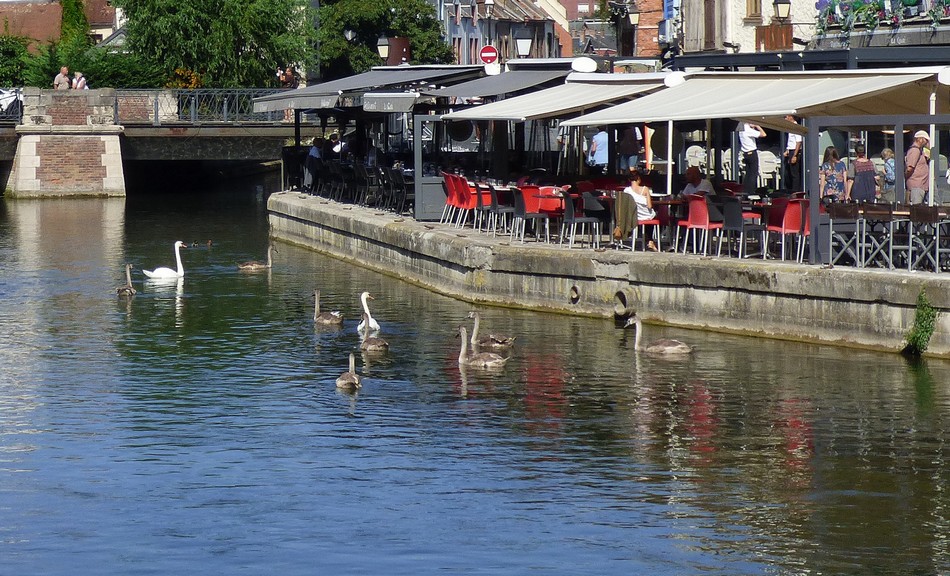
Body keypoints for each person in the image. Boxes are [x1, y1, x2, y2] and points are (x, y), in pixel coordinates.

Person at [615, 169, 658, 251]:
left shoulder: (626, 191)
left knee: (647, 217)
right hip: (646, 215)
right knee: (652, 216)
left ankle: (648, 240)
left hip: (634, 216)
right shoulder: (645, 189)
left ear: (629, 179)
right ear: (638, 178)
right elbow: (649, 206)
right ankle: (650, 241)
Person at [739, 122, 766, 195]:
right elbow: (763, 134)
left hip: (745, 153)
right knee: (753, 174)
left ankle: (746, 191)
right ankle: (751, 192)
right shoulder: (748, 130)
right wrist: (758, 126)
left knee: (748, 174)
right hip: (752, 152)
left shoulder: (741, 130)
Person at [904, 129, 930, 205]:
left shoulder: (920, 151)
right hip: (916, 185)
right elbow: (910, 168)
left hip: (921, 185)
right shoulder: (915, 151)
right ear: (920, 139)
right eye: (926, 140)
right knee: (916, 209)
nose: (926, 142)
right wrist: (907, 177)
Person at [782, 115, 802, 192]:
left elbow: (798, 142)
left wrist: (795, 155)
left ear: (791, 117)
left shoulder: (795, 127)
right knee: (789, 173)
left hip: (794, 151)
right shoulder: (790, 127)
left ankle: (795, 191)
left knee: (795, 174)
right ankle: (790, 189)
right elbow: (791, 141)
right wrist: (787, 150)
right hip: (791, 150)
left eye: (786, 117)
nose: (785, 118)